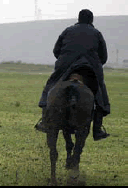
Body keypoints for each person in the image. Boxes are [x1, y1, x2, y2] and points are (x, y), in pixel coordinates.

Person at [35, 9, 110, 141]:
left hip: (66, 64)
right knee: (99, 90)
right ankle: (97, 129)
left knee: (51, 84)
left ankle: (45, 120)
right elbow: (103, 57)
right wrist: (96, 64)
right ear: (91, 20)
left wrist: (64, 59)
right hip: (89, 66)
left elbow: (56, 50)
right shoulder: (97, 33)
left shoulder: (67, 31)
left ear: (78, 18)